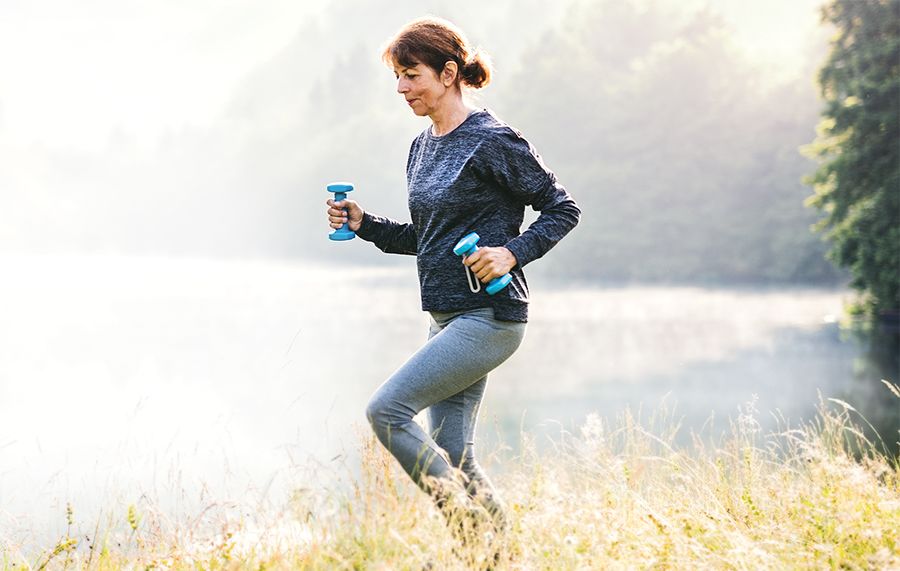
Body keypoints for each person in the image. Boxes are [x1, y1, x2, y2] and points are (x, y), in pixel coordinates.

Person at [324, 15, 581, 556]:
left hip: (489, 318)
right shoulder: (422, 147)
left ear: (447, 73)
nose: (401, 88)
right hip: (444, 316)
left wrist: (512, 252)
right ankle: (500, 557)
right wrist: (363, 223)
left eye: (410, 74)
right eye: (396, 76)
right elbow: (427, 238)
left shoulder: (492, 141)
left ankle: (468, 534)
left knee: (386, 412)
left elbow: (563, 208)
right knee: (454, 452)